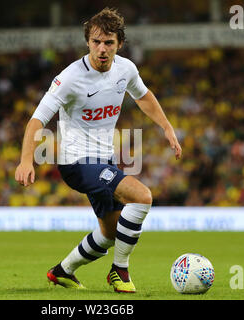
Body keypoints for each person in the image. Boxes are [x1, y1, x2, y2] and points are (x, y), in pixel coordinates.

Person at [15, 8, 182, 293]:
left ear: (120, 44)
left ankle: (62, 271)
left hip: (104, 159)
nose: (102, 49)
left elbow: (143, 96)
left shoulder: (126, 69)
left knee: (111, 231)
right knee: (142, 197)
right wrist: (26, 160)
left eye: (109, 43)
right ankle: (120, 272)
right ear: (88, 43)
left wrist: (166, 127)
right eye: (96, 42)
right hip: (75, 161)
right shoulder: (69, 78)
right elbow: (37, 120)